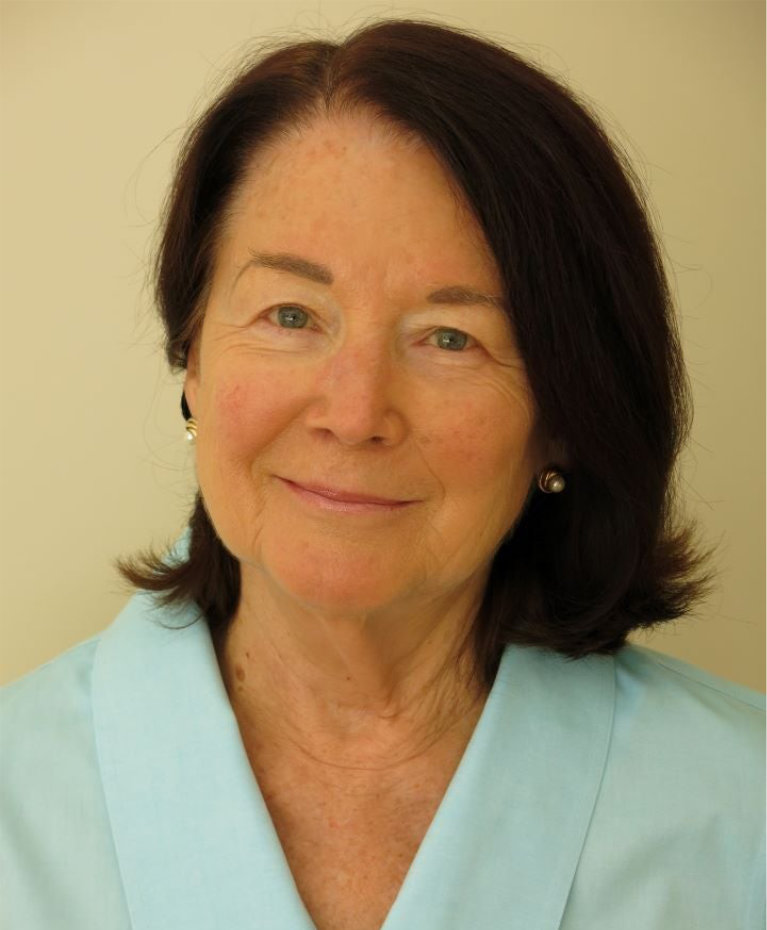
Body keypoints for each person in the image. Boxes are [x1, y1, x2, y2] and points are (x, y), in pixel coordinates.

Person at [1, 17, 763, 930]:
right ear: (193, 358)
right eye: (291, 315)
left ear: (565, 413)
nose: (355, 411)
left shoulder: (741, 808)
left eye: (450, 337)